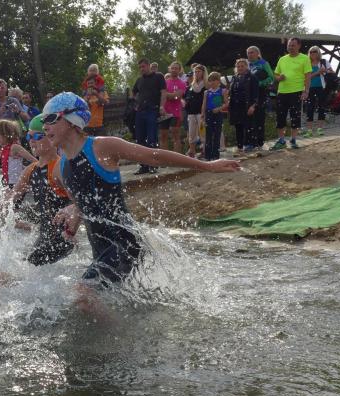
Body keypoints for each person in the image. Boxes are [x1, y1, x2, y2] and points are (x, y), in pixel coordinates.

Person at [41, 93, 240, 288]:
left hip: (124, 241)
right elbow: (84, 203)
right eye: (43, 121)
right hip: (100, 248)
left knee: (83, 293)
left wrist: (207, 166)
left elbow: (154, 156)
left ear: (72, 120)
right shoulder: (61, 168)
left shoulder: (101, 147)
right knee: (106, 300)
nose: (44, 126)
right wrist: (72, 217)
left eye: (50, 119)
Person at [8, 114, 75, 265]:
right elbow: (11, 199)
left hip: (60, 241)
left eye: (37, 136)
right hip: (44, 237)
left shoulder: (60, 167)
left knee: (19, 271)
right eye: (29, 136)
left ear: (52, 138)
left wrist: (72, 218)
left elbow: (81, 202)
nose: (31, 140)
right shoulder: (31, 170)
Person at [271, 37, 312, 150]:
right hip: (282, 92)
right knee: (280, 117)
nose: (290, 47)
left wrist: (306, 91)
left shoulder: (304, 58)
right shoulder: (282, 59)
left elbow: (308, 76)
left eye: (293, 45)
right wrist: (279, 78)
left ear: (299, 46)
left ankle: (293, 140)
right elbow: (276, 75)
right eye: (289, 45)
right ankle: (281, 140)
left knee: (295, 116)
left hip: (297, 91)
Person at [131, 58, 167, 174]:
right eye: (140, 67)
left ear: (149, 65)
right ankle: (143, 166)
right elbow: (133, 93)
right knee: (140, 139)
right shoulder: (139, 80)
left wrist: (162, 106)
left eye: (143, 66)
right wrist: (135, 104)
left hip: (152, 110)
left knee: (152, 138)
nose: (141, 69)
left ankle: (153, 164)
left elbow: (164, 92)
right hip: (140, 112)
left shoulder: (158, 76)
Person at [0, 120, 37, 187]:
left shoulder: (15, 147)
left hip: (18, 183)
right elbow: (10, 166)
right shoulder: (4, 149)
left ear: (6, 134)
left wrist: (27, 172)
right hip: (10, 183)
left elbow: (34, 161)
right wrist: (0, 171)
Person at [228, 59, 259, 156]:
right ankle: (240, 147)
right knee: (238, 127)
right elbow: (231, 92)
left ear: (246, 66)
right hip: (236, 106)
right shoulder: (234, 77)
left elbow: (255, 93)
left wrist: (253, 106)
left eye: (242, 66)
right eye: (238, 66)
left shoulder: (252, 77)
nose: (240, 68)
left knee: (248, 126)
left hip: (247, 105)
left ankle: (250, 145)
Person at [246, 46, 275, 149]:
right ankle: (250, 142)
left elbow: (271, 77)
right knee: (249, 118)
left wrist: (260, 83)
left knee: (259, 117)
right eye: (248, 53)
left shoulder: (263, 63)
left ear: (257, 53)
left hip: (261, 93)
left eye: (252, 52)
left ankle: (259, 142)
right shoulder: (247, 64)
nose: (250, 55)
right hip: (249, 94)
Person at [302, 46, 333, 137]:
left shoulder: (324, 62)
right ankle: (309, 130)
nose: (313, 53)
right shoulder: (307, 63)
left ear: (318, 52)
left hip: (322, 87)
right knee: (309, 108)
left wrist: (325, 71)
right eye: (311, 52)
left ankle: (320, 129)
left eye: (315, 51)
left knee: (321, 107)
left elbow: (332, 72)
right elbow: (305, 77)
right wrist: (318, 72)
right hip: (309, 88)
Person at [159, 61, 186, 153]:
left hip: (175, 113)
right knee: (163, 136)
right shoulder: (164, 82)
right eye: (172, 68)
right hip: (164, 112)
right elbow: (162, 96)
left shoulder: (182, 83)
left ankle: (176, 158)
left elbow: (176, 97)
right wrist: (171, 95)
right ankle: (165, 158)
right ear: (169, 69)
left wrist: (165, 94)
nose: (174, 70)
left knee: (175, 136)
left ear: (179, 70)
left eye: (176, 68)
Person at [202, 72, 228, 161]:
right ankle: (207, 156)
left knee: (217, 134)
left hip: (218, 114)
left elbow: (226, 103)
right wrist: (202, 115)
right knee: (208, 135)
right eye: (210, 80)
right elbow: (204, 104)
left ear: (218, 81)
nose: (212, 82)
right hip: (209, 114)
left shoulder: (222, 91)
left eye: (214, 80)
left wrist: (219, 108)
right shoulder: (207, 92)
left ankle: (215, 155)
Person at [184, 64, 207, 157]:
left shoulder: (206, 85)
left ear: (203, 73)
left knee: (202, 132)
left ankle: (205, 150)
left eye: (199, 71)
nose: (197, 73)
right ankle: (192, 151)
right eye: (195, 72)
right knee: (191, 133)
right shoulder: (191, 86)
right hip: (191, 112)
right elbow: (186, 97)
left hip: (201, 113)